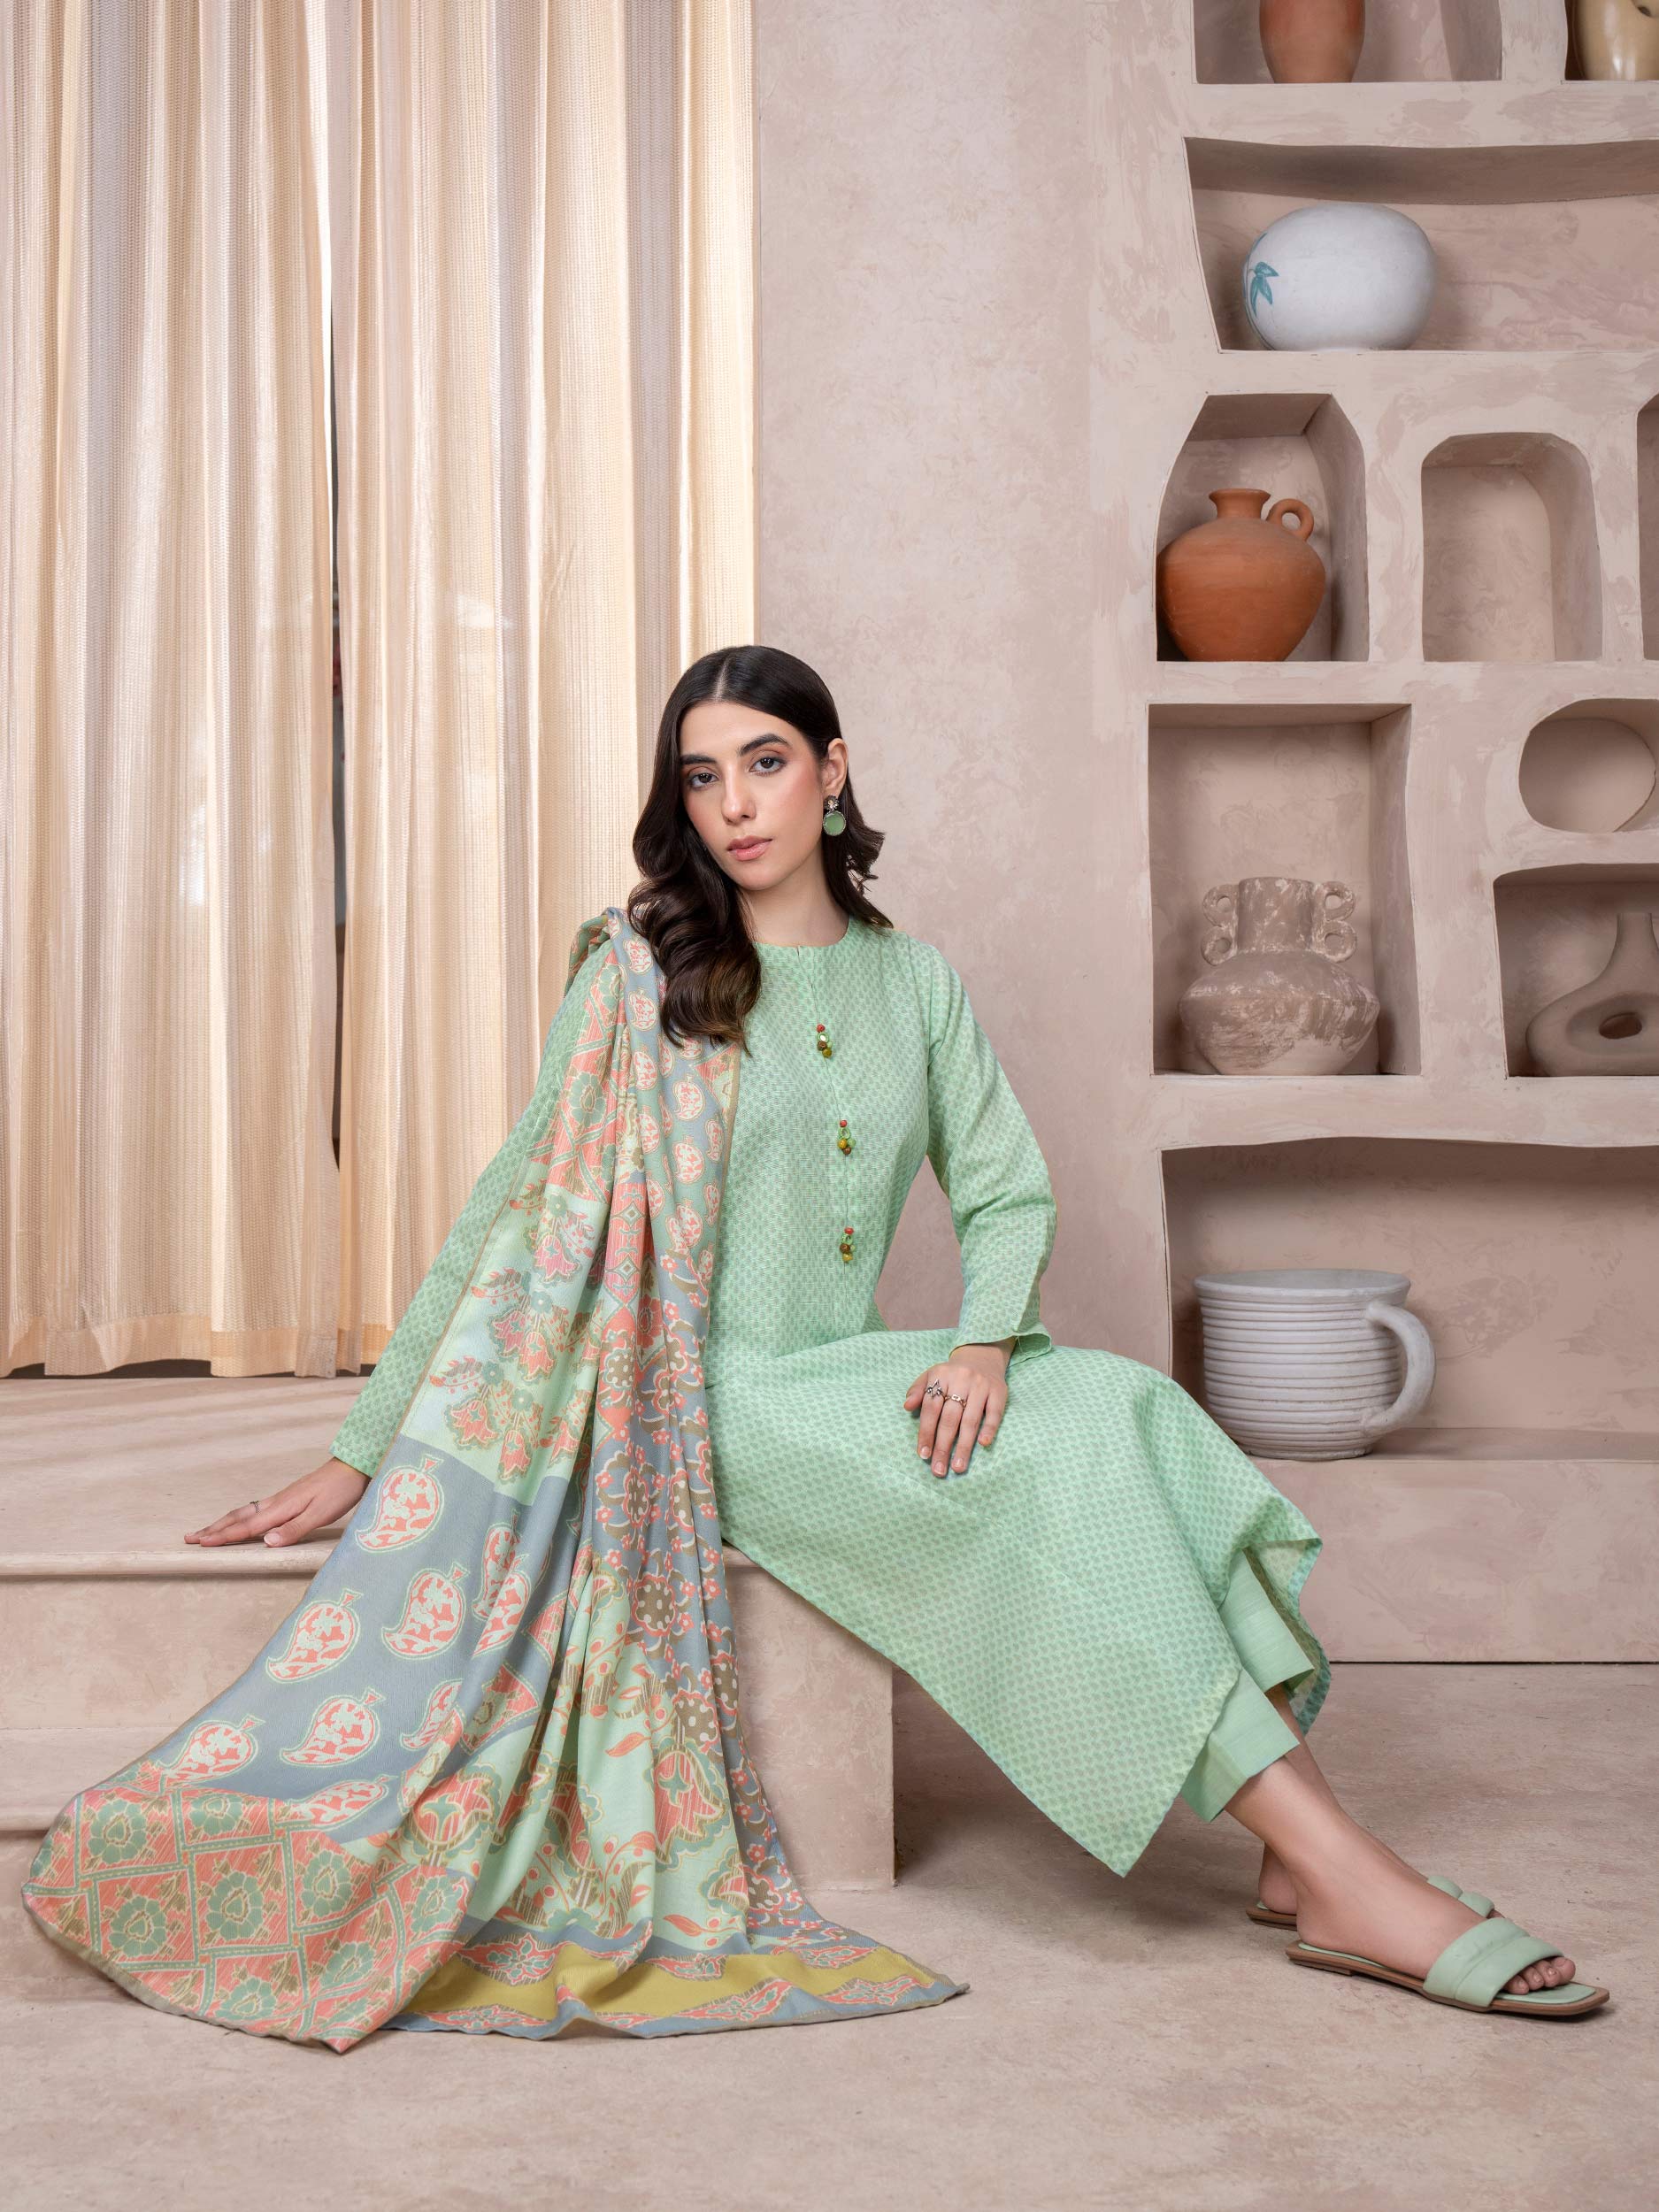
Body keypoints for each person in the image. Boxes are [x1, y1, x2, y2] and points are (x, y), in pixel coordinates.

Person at [53, 645, 1602, 2035]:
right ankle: (1346, 1875)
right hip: (701, 1399)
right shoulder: (642, 979)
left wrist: (986, 1343)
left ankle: (1292, 1856)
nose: (735, 804)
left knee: (1118, 1407)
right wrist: (362, 1445)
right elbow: (507, 1215)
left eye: (766, 762)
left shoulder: (912, 981)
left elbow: (1007, 1191)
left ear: (833, 770)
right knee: (1044, 1476)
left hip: (850, 1371)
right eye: (701, 776)